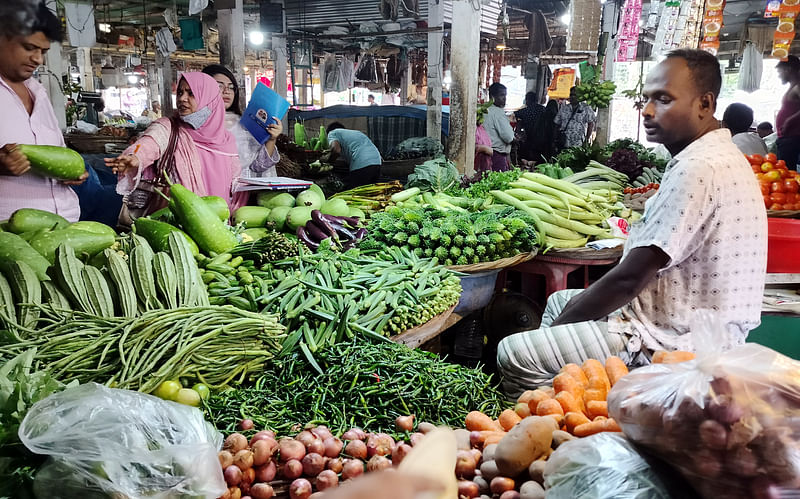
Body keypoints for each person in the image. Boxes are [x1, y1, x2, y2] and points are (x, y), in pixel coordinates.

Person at [497, 49, 767, 397]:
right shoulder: (714, 155)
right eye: (647, 99)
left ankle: (533, 428)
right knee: (559, 301)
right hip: (681, 316)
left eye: (664, 99)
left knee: (513, 352)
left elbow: (628, 279)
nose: (648, 111)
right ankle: (570, 404)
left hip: (672, 339)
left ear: (705, 104)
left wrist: (545, 336)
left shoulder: (698, 168)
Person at [105, 72, 245, 213]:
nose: (182, 99)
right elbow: (149, 142)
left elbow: (236, 187)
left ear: (209, 99)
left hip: (218, 225)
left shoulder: (227, 141)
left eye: (191, 94)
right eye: (180, 93)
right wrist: (135, 157)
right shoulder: (169, 127)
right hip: (174, 222)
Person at [0, 0, 88, 222]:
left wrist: (69, 173)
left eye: (43, 51)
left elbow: (55, 151)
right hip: (11, 234)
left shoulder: (38, 91)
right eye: (29, 48)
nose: (38, 59)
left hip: (63, 224)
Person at [202, 64, 282, 178]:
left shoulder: (243, 127)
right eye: (219, 86)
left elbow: (258, 166)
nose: (226, 91)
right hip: (208, 192)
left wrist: (271, 139)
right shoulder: (195, 127)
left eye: (231, 87)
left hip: (241, 193)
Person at [324, 122, 382, 188]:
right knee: (369, 193)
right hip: (377, 162)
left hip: (362, 164)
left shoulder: (332, 133)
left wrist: (329, 163)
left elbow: (336, 151)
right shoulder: (356, 133)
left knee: (355, 193)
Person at [482, 82, 514, 171]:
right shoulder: (498, 112)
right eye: (502, 95)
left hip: (483, 153)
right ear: (492, 96)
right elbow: (508, 137)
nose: (505, 98)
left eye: (505, 95)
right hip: (496, 155)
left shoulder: (483, 109)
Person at [776, 55, 800, 170]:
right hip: (788, 138)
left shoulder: (798, 87)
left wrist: (789, 121)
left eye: (780, 72)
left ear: (788, 69)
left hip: (792, 138)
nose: (779, 75)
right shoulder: (793, 87)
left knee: (787, 172)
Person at [514, 91, 545, 163]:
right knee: (537, 159)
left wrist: (518, 130)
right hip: (541, 138)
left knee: (526, 158)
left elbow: (514, 116)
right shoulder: (543, 109)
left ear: (528, 100)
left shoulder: (524, 111)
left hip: (528, 137)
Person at [475, 104, 493, 175]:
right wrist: (485, 149)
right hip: (476, 166)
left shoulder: (481, 128)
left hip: (485, 165)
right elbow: (473, 147)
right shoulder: (473, 128)